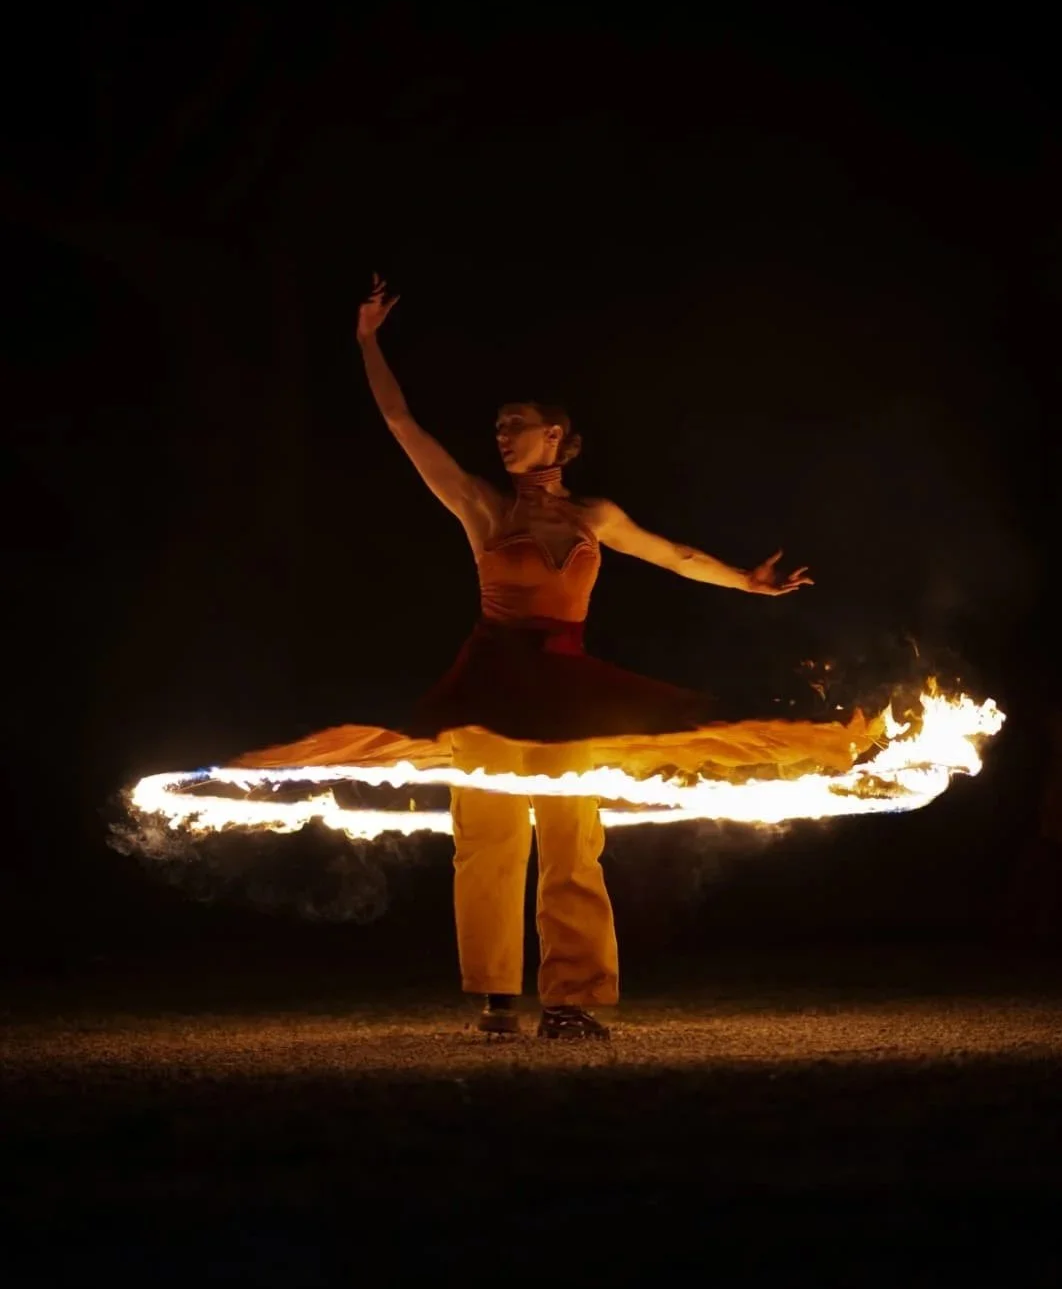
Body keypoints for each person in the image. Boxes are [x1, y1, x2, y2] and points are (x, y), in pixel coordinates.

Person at [237, 275, 874, 1040]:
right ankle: (496, 995)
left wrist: (745, 580)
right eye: (497, 426)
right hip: (490, 683)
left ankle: (570, 999)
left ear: (555, 436)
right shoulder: (482, 506)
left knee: (574, 840)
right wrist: (367, 341)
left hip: (566, 688)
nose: (501, 436)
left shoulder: (593, 516)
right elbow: (402, 423)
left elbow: (672, 554)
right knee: (489, 839)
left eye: (516, 424)